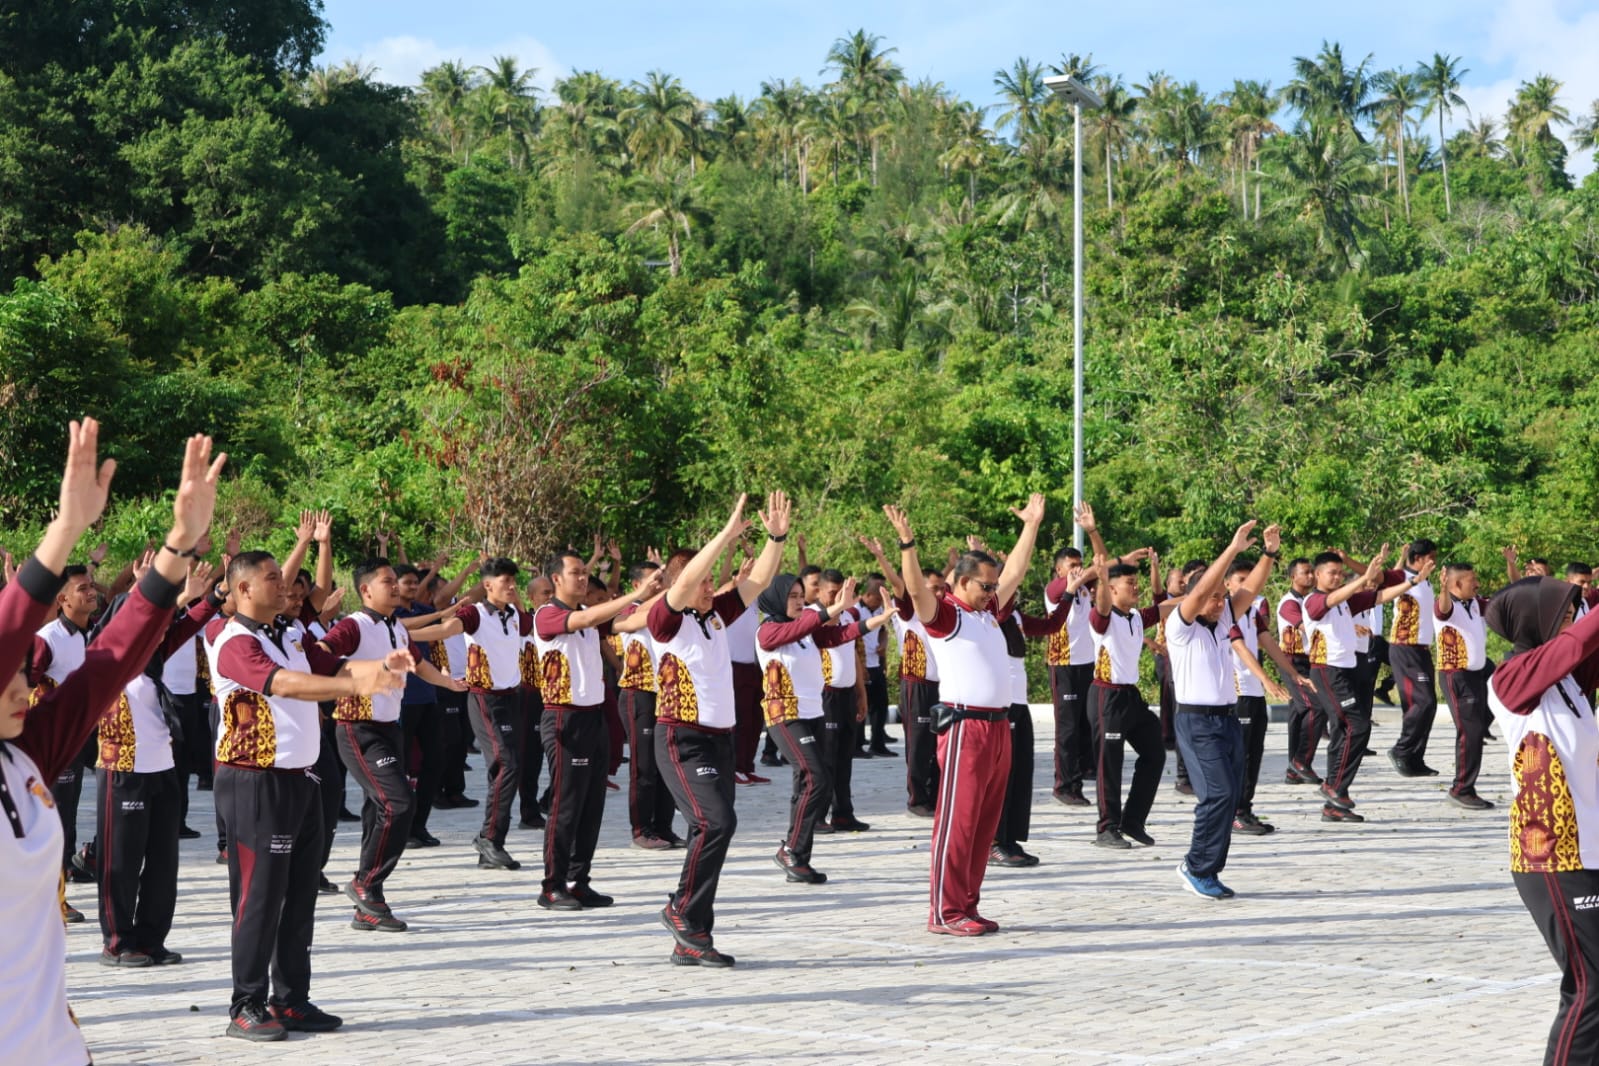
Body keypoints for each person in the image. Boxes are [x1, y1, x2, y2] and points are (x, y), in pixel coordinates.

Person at [2, 422, 225, 1065]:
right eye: (13, 678)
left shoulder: (26, 753)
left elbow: (112, 660)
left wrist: (177, 547)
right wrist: (63, 532)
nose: (27, 690)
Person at [213, 540, 411, 1040]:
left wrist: (382, 671)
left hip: (301, 778)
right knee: (259, 898)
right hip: (255, 781)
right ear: (243, 588)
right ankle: (246, 1003)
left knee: (300, 895)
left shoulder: (290, 632)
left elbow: (330, 669)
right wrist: (355, 688)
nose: (286, 585)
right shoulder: (235, 641)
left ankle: (291, 999)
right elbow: (283, 685)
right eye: (273, 578)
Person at [885, 494, 1046, 937]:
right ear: (960, 582)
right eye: (985, 587)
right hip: (964, 727)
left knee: (983, 825)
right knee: (957, 822)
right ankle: (944, 911)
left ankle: (967, 905)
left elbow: (1014, 571)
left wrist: (1030, 526)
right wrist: (907, 545)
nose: (993, 593)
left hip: (999, 727)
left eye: (993, 588)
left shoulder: (987, 614)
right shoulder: (945, 615)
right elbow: (916, 590)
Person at [648, 492, 788, 967]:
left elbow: (761, 578)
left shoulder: (715, 617)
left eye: (711, 581)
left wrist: (776, 537)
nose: (710, 587)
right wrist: (726, 534)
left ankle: (693, 937)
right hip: (681, 737)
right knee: (716, 823)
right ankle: (680, 908)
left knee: (712, 831)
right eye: (702, 581)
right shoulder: (665, 619)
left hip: (719, 739)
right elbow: (685, 580)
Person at [1484, 576, 1599, 1065]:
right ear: (1539, 619)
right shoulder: (1511, 680)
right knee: (1591, 983)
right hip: (1552, 854)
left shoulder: (1568, 683)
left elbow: (1584, 642)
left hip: (1588, 848)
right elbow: (1578, 639)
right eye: (1564, 610)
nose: (1571, 619)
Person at [318, 558, 463, 932]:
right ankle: (364, 883)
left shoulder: (397, 627)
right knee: (398, 803)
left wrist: (448, 683)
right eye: (387, 582)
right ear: (366, 590)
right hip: (357, 726)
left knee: (377, 810)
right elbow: (321, 655)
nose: (396, 587)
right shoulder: (355, 625)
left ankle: (369, 904)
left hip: (389, 727)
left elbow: (416, 664)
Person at [93, 559, 223, 966]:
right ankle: (118, 941)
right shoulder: (104, 661)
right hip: (123, 767)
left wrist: (213, 594)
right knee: (121, 862)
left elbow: (182, 626)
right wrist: (163, 593)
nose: (156, 631)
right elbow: (139, 624)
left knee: (163, 861)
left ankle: (151, 938)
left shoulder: (153, 660)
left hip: (162, 765)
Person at [531, 550, 662, 911]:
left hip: (593, 717)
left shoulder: (587, 621)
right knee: (566, 805)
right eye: (576, 572)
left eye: (585, 572)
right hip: (564, 718)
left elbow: (631, 621)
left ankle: (578, 880)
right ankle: (552, 885)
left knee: (592, 805)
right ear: (556, 578)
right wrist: (635, 595)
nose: (583, 578)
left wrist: (665, 594)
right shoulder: (548, 614)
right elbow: (589, 615)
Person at [1165, 522, 1275, 899]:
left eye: (1219, 598)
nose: (1218, 603)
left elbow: (1252, 587)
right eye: (1210, 597)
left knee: (1230, 798)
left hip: (1226, 718)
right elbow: (1201, 593)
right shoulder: (1180, 626)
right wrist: (1230, 548)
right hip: (1196, 722)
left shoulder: (1224, 617)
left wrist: (1269, 553)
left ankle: (1208, 869)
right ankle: (1196, 866)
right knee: (1218, 794)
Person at [756, 572, 888, 884]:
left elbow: (839, 636)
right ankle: (790, 849)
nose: (800, 602)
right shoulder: (768, 630)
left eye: (802, 596)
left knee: (807, 783)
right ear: (777, 598)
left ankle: (797, 857)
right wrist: (831, 609)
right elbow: (806, 625)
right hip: (785, 715)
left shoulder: (805, 633)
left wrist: (878, 619)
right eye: (793, 596)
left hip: (811, 712)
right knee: (817, 777)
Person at [418, 558, 535, 871]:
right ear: (487, 585)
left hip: (511, 698)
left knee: (506, 767)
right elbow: (445, 629)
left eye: (514, 581)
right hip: (485, 699)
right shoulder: (475, 613)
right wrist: (402, 636)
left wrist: (516, 597)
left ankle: (491, 847)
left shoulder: (514, 615)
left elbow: (526, 626)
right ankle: (489, 838)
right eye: (505, 581)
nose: (512, 586)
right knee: (508, 764)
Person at [1303, 548, 1411, 822]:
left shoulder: (1344, 602)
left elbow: (1379, 596)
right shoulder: (1313, 601)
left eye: (1341, 573)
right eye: (1332, 573)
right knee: (1358, 726)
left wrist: (1414, 581)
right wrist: (1363, 578)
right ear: (1317, 575)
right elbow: (1334, 598)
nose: (1337, 577)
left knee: (1342, 732)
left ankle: (1334, 805)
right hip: (1327, 672)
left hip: (1346, 670)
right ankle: (1332, 787)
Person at [1086, 556, 1173, 850]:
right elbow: (1100, 605)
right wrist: (1100, 577)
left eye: (1137, 583)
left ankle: (1132, 820)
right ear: (1111, 590)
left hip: (1130, 696)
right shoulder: (1103, 618)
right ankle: (1107, 828)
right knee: (1109, 763)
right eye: (1129, 584)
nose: (1136, 588)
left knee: (1155, 753)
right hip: (1106, 696)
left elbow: (1170, 605)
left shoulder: (1136, 617)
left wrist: (1213, 590)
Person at [28, 561, 98, 922]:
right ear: (62, 599)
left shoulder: (94, 633)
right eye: (82, 588)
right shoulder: (48, 639)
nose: (90, 591)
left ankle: (81, 865)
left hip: (89, 736)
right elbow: (26, 686)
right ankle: (52, 898)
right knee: (57, 820)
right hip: (56, 744)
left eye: (91, 585)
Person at [1223, 560, 1314, 836]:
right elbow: (1238, 647)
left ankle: (1245, 809)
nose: (1246, 584)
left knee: (1254, 754)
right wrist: (1266, 679)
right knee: (1238, 756)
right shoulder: (1225, 612)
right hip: (1237, 693)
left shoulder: (1251, 611)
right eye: (1240, 579)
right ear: (1227, 583)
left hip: (1255, 693)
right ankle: (1233, 812)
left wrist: (1292, 673)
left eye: (1250, 578)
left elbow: (1268, 643)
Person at [991, 579, 1076, 867]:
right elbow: (998, 608)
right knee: (1002, 777)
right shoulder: (990, 617)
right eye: (1007, 587)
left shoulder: (1013, 616)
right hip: (1000, 705)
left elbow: (1051, 626)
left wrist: (1068, 595)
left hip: (1019, 704)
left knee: (1021, 773)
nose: (1013, 592)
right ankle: (994, 842)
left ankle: (1011, 839)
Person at [860, 536, 944, 817]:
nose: (939, 594)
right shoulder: (910, 610)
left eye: (942, 589)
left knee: (938, 744)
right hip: (916, 684)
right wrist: (883, 557)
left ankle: (937, 795)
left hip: (943, 687)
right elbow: (899, 583)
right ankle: (917, 799)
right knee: (919, 745)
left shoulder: (943, 612)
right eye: (933, 588)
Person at [617, 560, 679, 849]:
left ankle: (664, 827)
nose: (661, 585)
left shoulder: (666, 610)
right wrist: (663, 591)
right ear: (635, 586)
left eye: (662, 580)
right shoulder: (627, 611)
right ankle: (641, 829)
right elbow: (640, 615)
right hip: (637, 694)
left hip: (664, 695)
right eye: (654, 581)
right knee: (643, 768)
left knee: (666, 765)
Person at [1433, 562, 1495, 810]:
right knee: (1469, 732)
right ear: (1457, 584)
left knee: (1478, 727)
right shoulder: (1446, 606)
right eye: (1472, 580)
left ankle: (1465, 786)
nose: (1477, 583)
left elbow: (1503, 603)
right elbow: (1443, 607)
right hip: (1456, 675)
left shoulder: (1475, 604)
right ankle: (1461, 789)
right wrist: (1443, 588)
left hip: (1476, 674)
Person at [815, 568, 871, 831]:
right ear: (820, 591)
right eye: (833, 593)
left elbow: (855, 658)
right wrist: (839, 605)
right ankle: (817, 815)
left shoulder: (849, 615)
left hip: (847, 693)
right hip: (825, 694)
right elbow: (826, 627)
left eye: (843, 592)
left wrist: (861, 693)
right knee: (825, 758)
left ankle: (843, 812)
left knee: (844, 757)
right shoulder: (813, 616)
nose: (839, 597)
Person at [1384, 539, 1443, 777]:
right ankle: (1401, 749)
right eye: (1432, 557)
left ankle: (1415, 758)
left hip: (1421, 649)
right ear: (1418, 558)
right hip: (1404, 647)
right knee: (1423, 701)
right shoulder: (1402, 578)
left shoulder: (1425, 580)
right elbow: (1377, 580)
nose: (1435, 562)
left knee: (1427, 706)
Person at [1276, 558, 1323, 784]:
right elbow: (1307, 626)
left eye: (1313, 572)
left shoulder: (1309, 600)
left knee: (1297, 714)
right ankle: (1301, 761)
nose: (1311, 576)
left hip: (1309, 661)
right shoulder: (1289, 603)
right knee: (1314, 707)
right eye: (1306, 572)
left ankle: (1293, 770)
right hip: (1292, 661)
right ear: (1293, 576)